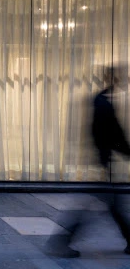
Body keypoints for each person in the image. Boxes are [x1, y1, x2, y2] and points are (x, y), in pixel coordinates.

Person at [48, 65, 130, 258]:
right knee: (97, 206)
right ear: (114, 78)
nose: (125, 79)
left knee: (110, 206)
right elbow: (112, 135)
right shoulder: (103, 103)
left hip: (102, 162)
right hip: (102, 164)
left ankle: (60, 241)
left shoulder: (102, 100)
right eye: (122, 76)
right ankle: (59, 242)